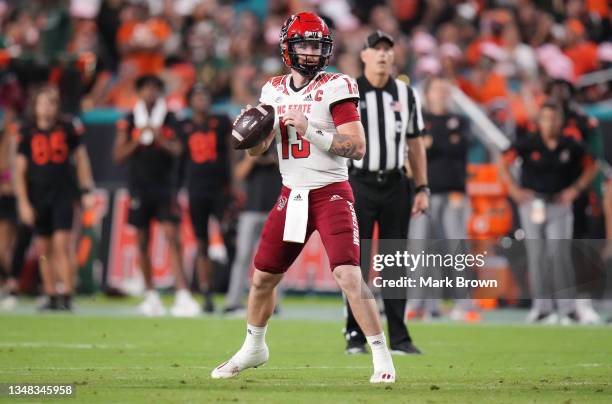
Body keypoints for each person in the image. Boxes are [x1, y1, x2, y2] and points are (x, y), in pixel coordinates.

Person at [211, 12, 396, 383]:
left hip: (330, 192)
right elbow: (257, 152)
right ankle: (253, 347)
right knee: (263, 277)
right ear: (287, 48)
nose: (311, 52)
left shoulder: (336, 86)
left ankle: (381, 355)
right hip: (291, 193)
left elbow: (356, 147)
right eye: (305, 44)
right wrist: (255, 134)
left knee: (347, 273)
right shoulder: (272, 90)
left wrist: (311, 130)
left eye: (317, 45)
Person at [343, 31, 428, 356]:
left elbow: (416, 143)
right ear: (363, 55)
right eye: (375, 49)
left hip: (396, 184)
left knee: (395, 263)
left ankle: (400, 337)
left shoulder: (406, 94)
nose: (382, 54)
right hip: (359, 183)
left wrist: (422, 187)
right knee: (356, 264)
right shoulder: (348, 91)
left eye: (387, 50)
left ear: (394, 57)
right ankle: (354, 333)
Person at [498, 100, 598, 324]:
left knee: (559, 253)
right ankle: (542, 308)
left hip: (560, 203)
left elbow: (593, 165)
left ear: (561, 121)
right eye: (545, 118)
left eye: (554, 119)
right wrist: (514, 190)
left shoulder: (571, 144)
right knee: (537, 254)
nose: (550, 123)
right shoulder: (528, 143)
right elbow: (502, 161)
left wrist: (575, 189)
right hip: (533, 203)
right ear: (539, 121)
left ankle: (568, 308)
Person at [113, 74, 199, 317]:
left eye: (154, 88)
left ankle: (182, 294)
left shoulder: (171, 118)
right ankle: (150, 294)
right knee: (141, 242)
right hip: (139, 187)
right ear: (139, 92)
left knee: (174, 238)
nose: (150, 92)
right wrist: (138, 138)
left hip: (165, 187)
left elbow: (179, 150)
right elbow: (118, 155)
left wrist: (158, 136)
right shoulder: (130, 120)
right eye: (146, 88)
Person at [14, 85, 95, 311]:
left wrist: (87, 189)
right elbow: (19, 170)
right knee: (42, 250)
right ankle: (50, 293)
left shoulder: (68, 128)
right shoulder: (28, 131)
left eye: (51, 103)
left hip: (63, 194)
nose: (47, 107)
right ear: (35, 106)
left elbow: (81, 160)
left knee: (63, 245)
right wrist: (23, 202)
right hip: (38, 196)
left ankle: (67, 293)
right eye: (42, 103)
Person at [406, 76, 478, 322]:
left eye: (444, 88)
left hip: (453, 192)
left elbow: (460, 147)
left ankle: (465, 305)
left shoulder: (461, 120)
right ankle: (420, 305)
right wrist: (439, 142)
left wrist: (432, 143)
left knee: (457, 249)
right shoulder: (417, 120)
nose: (441, 93)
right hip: (422, 192)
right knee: (419, 249)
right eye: (437, 88)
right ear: (427, 93)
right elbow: (413, 149)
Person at [179, 83, 232, 313]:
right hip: (196, 189)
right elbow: (179, 158)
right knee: (201, 241)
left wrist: (234, 186)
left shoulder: (220, 121)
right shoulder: (184, 125)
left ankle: (233, 289)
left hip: (220, 188)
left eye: (205, 96)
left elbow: (231, 153)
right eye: (197, 96)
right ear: (190, 101)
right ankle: (206, 291)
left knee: (230, 236)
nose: (202, 100)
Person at [223, 146, 282, 315]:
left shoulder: (280, 143)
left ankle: (273, 303)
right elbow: (239, 173)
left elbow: (290, 170)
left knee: (276, 259)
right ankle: (233, 301)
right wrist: (254, 157)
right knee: (242, 256)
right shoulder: (251, 143)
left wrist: (273, 159)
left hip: (276, 208)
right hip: (250, 209)